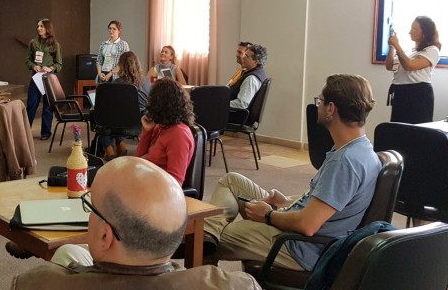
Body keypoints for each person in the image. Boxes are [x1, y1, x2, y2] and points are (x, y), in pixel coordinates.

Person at [204, 74, 381, 272]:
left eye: (320, 101)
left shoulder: (346, 162)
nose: (318, 107)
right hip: (299, 232)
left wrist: (269, 215)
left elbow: (308, 225)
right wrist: (285, 201)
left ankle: (206, 241)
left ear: (331, 109)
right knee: (231, 181)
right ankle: (209, 234)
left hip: (298, 248)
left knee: (209, 237)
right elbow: (326, 201)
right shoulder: (359, 149)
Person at [11, 157, 260, 290]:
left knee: (67, 254)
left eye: (91, 208)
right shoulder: (237, 285)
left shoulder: (36, 283)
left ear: (105, 237)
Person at [135, 78, 195, 185]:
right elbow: (139, 159)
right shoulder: (161, 126)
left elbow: (175, 182)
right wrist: (147, 131)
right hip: (145, 181)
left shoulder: (179, 135)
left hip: (160, 191)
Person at [385, 16, 441, 124]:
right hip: (400, 92)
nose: (410, 32)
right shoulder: (409, 51)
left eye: (414, 29)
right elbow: (389, 66)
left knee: (416, 129)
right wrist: (392, 47)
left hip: (418, 93)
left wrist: (397, 45)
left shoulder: (432, 50)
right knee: (398, 128)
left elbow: (409, 66)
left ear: (425, 32)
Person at [98, 51, 150, 159]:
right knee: (123, 114)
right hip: (137, 125)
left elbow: (110, 107)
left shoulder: (116, 83)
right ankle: (120, 144)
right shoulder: (146, 82)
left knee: (101, 119)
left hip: (116, 125)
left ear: (121, 66)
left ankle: (109, 149)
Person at [26, 18, 63, 141]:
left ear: (48, 28)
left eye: (41, 26)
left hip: (48, 78)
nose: (38, 28)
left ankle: (46, 132)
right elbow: (28, 60)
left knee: (48, 106)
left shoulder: (55, 45)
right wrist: (33, 66)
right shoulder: (33, 43)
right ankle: (25, 131)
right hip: (36, 77)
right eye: (38, 26)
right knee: (31, 104)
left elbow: (59, 64)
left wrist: (50, 68)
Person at [229, 43, 267, 124]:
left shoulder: (251, 79)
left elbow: (242, 104)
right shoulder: (258, 72)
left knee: (203, 109)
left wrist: (221, 104)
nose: (243, 58)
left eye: (246, 56)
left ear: (255, 61)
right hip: (235, 113)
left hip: (236, 115)